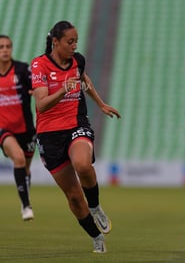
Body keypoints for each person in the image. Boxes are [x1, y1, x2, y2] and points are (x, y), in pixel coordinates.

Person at [31, 21, 121, 253]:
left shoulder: (77, 60)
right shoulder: (39, 66)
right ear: (56, 42)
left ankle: (96, 207)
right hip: (49, 135)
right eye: (70, 42)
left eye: (76, 42)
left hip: (75, 124)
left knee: (82, 163)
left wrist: (100, 104)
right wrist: (63, 89)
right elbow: (41, 105)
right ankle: (96, 237)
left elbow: (83, 79)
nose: (74, 46)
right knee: (73, 197)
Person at [0, 35, 36, 221]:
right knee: (19, 159)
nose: (5, 50)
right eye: (1, 47)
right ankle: (26, 206)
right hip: (4, 130)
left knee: (26, 170)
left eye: (8, 46)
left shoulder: (22, 70)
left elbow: (36, 89)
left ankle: (25, 196)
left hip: (27, 129)